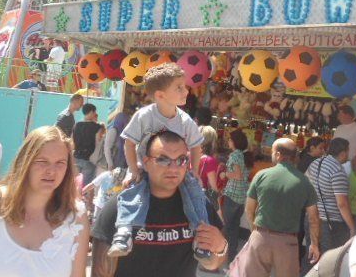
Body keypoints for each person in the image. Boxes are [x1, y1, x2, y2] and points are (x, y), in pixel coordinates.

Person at [91, 130, 227, 276]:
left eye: (181, 160)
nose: (173, 168)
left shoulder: (199, 205)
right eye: (163, 160)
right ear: (146, 162)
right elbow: (101, 272)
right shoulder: (122, 207)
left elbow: (212, 263)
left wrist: (220, 247)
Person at [109, 63, 208, 258]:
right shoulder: (144, 116)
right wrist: (134, 169)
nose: (186, 91)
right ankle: (125, 231)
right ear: (160, 95)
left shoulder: (185, 120)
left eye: (184, 86)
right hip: (146, 167)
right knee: (133, 190)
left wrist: (194, 170)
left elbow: (196, 146)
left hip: (175, 169)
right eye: (179, 87)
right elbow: (129, 143)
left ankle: (201, 233)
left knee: (196, 193)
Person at [0, 126, 89, 277]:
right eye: (42, 161)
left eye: (60, 163)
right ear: (25, 161)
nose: (51, 171)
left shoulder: (76, 218)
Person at [235, 138, 320, 277]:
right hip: (288, 242)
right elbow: (313, 218)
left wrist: (254, 232)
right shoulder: (305, 182)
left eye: (273, 152)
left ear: (278, 155)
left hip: (261, 237)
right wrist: (314, 244)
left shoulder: (261, 175)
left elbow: (249, 210)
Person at [306, 138, 355, 257]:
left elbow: (306, 184)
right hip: (330, 224)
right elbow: (342, 204)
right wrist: (352, 227)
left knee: (312, 257)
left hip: (312, 219)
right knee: (329, 260)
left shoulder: (315, 163)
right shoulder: (337, 170)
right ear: (343, 153)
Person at [223, 129, 253, 263]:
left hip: (232, 195)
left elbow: (237, 175)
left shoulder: (235, 155)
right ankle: (231, 256)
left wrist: (224, 174)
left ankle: (218, 256)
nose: (228, 141)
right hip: (241, 197)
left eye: (230, 139)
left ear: (235, 142)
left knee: (225, 226)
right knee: (234, 227)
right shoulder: (245, 155)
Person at [72, 103, 103, 186]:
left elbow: (72, 142)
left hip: (76, 158)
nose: (95, 114)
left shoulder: (76, 125)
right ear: (91, 112)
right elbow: (98, 142)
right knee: (84, 187)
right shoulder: (97, 127)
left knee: (74, 185)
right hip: (89, 160)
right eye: (94, 112)